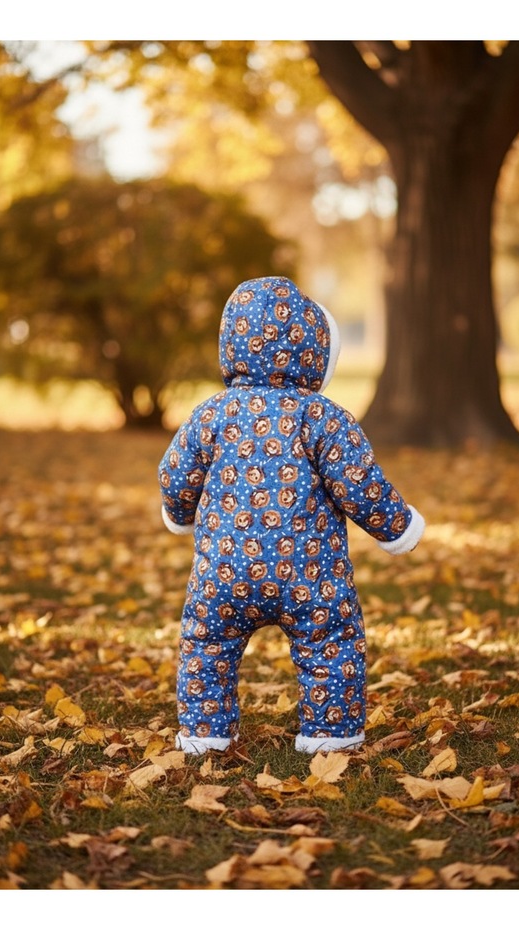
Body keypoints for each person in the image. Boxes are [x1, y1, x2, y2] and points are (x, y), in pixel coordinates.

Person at [158, 276, 425, 755]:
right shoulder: (322, 417)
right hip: (310, 573)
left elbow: (176, 473)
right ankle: (330, 734)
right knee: (330, 640)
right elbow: (359, 482)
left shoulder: (211, 415)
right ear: (314, 351)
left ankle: (205, 733)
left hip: (224, 572)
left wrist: (179, 514)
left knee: (207, 645)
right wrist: (397, 527)